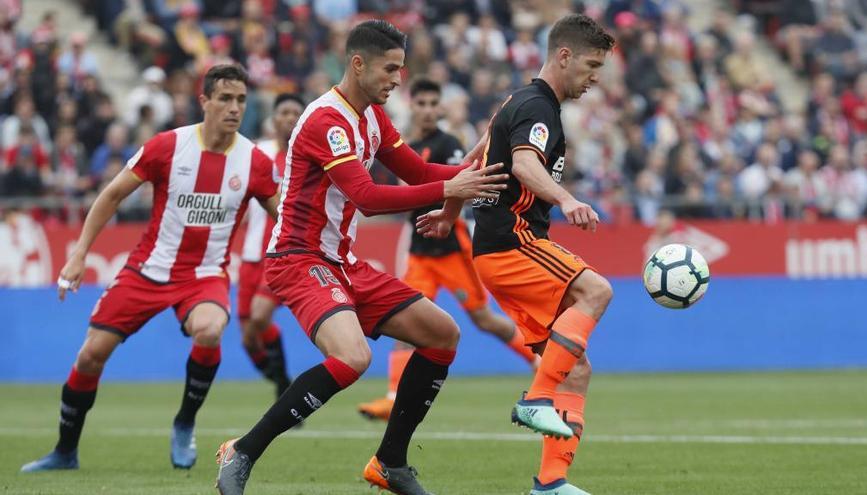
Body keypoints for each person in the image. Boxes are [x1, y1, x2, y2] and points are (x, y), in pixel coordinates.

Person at [214, 20, 507, 495]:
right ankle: (242, 450)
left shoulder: (372, 115)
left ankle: (390, 462)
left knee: (442, 335)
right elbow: (367, 197)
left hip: (342, 262)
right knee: (353, 358)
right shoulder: (326, 121)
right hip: (299, 257)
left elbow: (415, 171)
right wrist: (450, 188)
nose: (397, 79)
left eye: (401, 69)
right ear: (357, 63)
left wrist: (474, 169)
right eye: (390, 69)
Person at [21, 64, 280, 473]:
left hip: (205, 275)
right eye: (226, 98)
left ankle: (184, 421)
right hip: (148, 269)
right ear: (205, 101)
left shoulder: (255, 162)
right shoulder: (167, 146)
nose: (234, 108)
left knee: (211, 330)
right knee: (91, 355)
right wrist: (79, 252)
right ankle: (65, 451)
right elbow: (112, 195)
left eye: (241, 100)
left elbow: (283, 216)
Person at [417, 14, 615, 495]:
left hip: (495, 253)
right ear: (563, 56)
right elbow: (525, 163)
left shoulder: (515, 101)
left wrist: (449, 214)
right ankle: (537, 397)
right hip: (515, 242)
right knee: (597, 290)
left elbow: (473, 159)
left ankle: (550, 483)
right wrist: (566, 199)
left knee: (578, 366)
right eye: (590, 65)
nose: (595, 78)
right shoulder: (537, 107)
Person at [357, 77, 537, 421]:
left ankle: (537, 361)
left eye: (431, 104)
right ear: (411, 106)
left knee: (484, 320)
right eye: (420, 104)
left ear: (439, 108)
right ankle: (394, 395)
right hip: (420, 254)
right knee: (404, 322)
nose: (426, 110)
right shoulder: (404, 148)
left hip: (452, 249)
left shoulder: (449, 144)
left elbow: (459, 186)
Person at [237, 93, 304, 398]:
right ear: (274, 119)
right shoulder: (258, 152)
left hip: (282, 251)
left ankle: (284, 393)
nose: (290, 117)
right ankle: (283, 383)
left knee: (260, 317)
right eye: (284, 112)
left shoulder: (308, 155)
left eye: (295, 112)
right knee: (249, 339)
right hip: (252, 252)